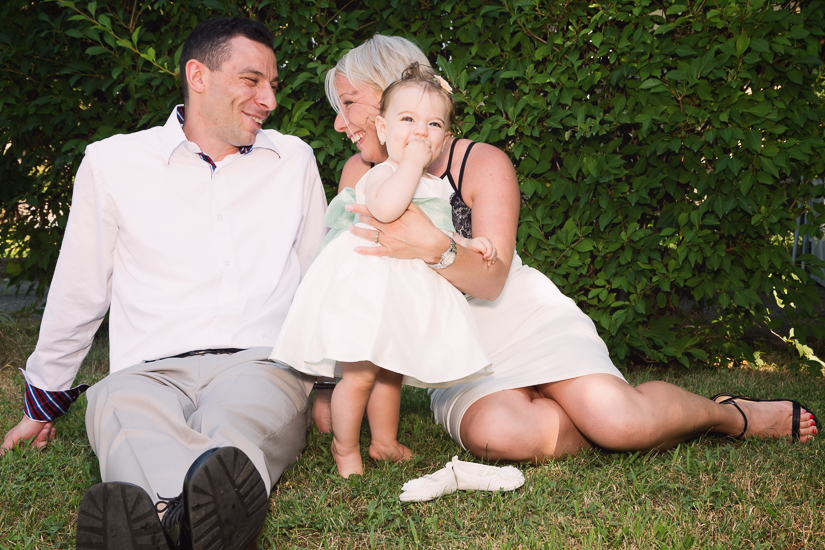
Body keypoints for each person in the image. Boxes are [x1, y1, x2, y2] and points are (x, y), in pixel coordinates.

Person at [312, 34, 818, 464]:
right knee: (501, 435)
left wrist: (434, 245)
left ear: (389, 95)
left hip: (519, 315)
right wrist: (330, 385)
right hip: (456, 347)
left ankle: (727, 415)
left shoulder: (480, 162)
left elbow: (491, 279)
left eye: (348, 102)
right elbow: (352, 288)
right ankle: (596, 423)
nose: (340, 122)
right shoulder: (358, 175)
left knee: (620, 421)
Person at [0, 17, 327, 550]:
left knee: (236, 421)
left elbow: (319, 279)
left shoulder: (293, 160)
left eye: (273, 84)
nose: (268, 99)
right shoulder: (112, 162)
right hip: (146, 370)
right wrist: (42, 403)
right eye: (252, 80)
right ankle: (197, 521)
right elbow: (80, 290)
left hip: (259, 362)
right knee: (121, 410)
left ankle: (156, 515)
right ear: (198, 75)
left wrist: (333, 384)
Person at [271, 63, 494, 478]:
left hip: (400, 292)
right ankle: (344, 448)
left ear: (444, 139)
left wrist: (468, 243)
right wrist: (410, 164)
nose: (419, 132)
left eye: (433, 124)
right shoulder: (380, 175)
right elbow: (389, 208)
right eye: (407, 120)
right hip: (366, 291)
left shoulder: (431, 186)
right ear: (383, 127)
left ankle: (384, 442)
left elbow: (437, 229)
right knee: (358, 375)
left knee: (391, 369)